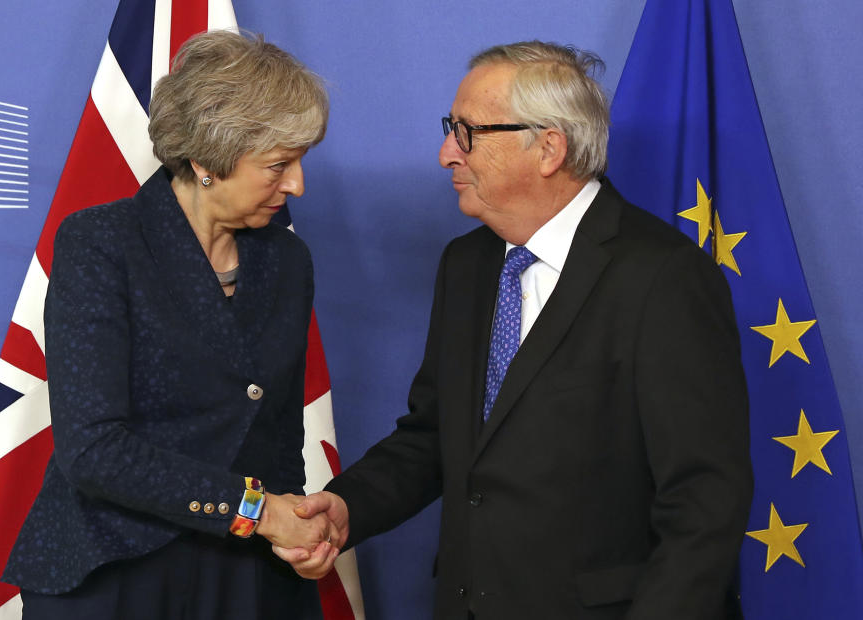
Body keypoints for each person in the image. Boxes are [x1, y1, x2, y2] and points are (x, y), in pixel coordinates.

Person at [277, 42, 752, 619]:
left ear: (549, 147)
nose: (446, 153)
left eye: (467, 132)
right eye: (450, 129)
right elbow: (435, 437)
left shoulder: (663, 277)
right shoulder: (467, 265)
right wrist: (348, 509)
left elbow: (704, 503)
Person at [1, 30, 333, 619]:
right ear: (207, 161)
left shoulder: (287, 259)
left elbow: (277, 435)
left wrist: (299, 526)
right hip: (116, 566)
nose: (297, 185)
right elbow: (95, 450)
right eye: (279, 164)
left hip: (249, 572)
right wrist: (255, 511)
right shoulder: (101, 243)